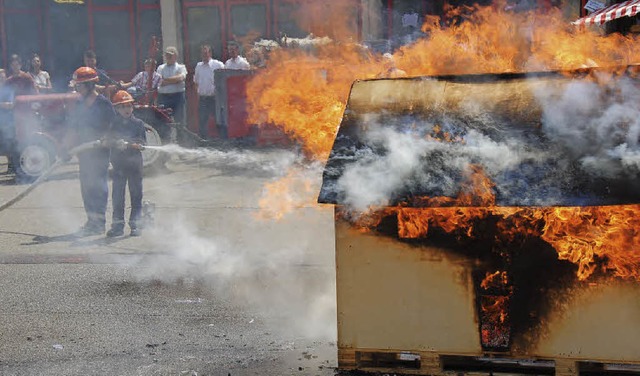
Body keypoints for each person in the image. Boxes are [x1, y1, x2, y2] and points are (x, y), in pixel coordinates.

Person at [66, 67, 115, 236]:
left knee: (97, 186)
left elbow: (113, 128)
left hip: (99, 153)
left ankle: (99, 223)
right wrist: (66, 148)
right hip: (84, 153)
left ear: (89, 85)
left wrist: (105, 139)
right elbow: (74, 127)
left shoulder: (104, 104)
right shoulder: (79, 103)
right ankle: (91, 221)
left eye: (79, 86)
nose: (76, 89)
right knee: (86, 186)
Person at [106, 90, 146, 237]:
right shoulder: (113, 124)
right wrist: (116, 143)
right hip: (119, 166)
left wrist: (134, 144)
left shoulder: (138, 124)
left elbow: (142, 142)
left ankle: (135, 225)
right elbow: (108, 140)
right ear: (116, 109)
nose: (127, 109)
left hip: (135, 166)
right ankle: (117, 226)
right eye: (122, 107)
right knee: (118, 196)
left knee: (136, 195)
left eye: (129, 106)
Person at [193, 44, 224, 139]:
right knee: (202, 121)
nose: (204, 55)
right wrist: (198, 94)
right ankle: (203, 141)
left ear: (210, 53)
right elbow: (196, 82)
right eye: (202, 53)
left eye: (206, 53)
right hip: (203, 98)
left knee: (219, 120)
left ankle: (223, 140)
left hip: (215, 98)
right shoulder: (198, 66)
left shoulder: (218, 65)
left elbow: (224, 81)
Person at [156, 46, 187, 126]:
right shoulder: (160, 68)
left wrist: (166, 80)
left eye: (170, 55)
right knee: (164, 120)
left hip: (177, 96)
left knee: (179, 120)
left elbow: (180, 78)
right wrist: (174, 81)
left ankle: (181, 138)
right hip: (163, 97)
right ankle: (166, 138)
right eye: (167, 55)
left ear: (175, 56)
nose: (168, 57)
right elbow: (159, 82)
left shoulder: (181, 67)